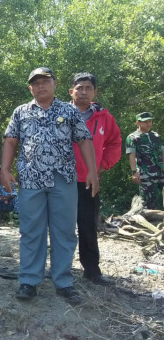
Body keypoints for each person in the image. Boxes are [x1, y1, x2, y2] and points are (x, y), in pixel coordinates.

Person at [0, 67, 99, 305]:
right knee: (31, 231)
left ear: (54, 83)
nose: (41, 86)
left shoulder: (69, 111)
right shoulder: (21, 112)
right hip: (30, 179)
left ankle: (63, 282)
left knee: (64, 231)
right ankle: (29, 280)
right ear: (30, 88)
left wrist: (93, 171)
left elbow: (84, 140)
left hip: (63, 179)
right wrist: (4, 169)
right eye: (36, 83)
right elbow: (11, 140)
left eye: (45, 81)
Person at [69, 72, 121, 286]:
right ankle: (59, 269)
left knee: (88, 225)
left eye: (88, 88)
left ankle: (92, 270)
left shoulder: (104, 117)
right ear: (71, 90)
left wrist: (100, 166)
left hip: (89, 181)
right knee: (60, 226)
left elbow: (115, 143)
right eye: (79, 87)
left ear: (95, 92)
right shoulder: (59, 113)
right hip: (61, 179)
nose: (83, 92)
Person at [126, 112, 164, 210]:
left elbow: (162, 151)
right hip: (146, 174)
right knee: (148, 203)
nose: (148, 124)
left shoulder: (155, 136)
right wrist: (134, 172)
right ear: (138, 123)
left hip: (161, 170)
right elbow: (132, 155)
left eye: (150, 121)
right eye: (145, 122)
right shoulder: (132, 138)